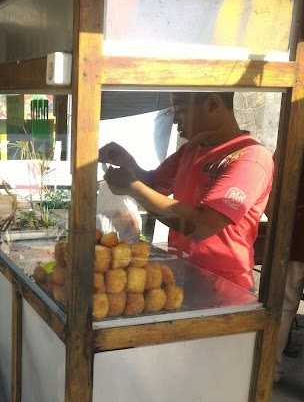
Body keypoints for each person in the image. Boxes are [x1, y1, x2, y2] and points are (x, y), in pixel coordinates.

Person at [99, 93, 274, 290]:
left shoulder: (250, 158)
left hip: (222, 285)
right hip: (183, 272)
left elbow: (201, 226)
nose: (174, 120)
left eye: (181, 110)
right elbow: (154, 187)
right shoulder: (191, 150)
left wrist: (133, 187)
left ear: (212, 105)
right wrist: (128, 163)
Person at [274, 166, 304, 382]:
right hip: (296, 237)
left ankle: (271, 369)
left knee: (285, 306)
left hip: (297, 236)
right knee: (285, 306)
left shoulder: (297, 139)